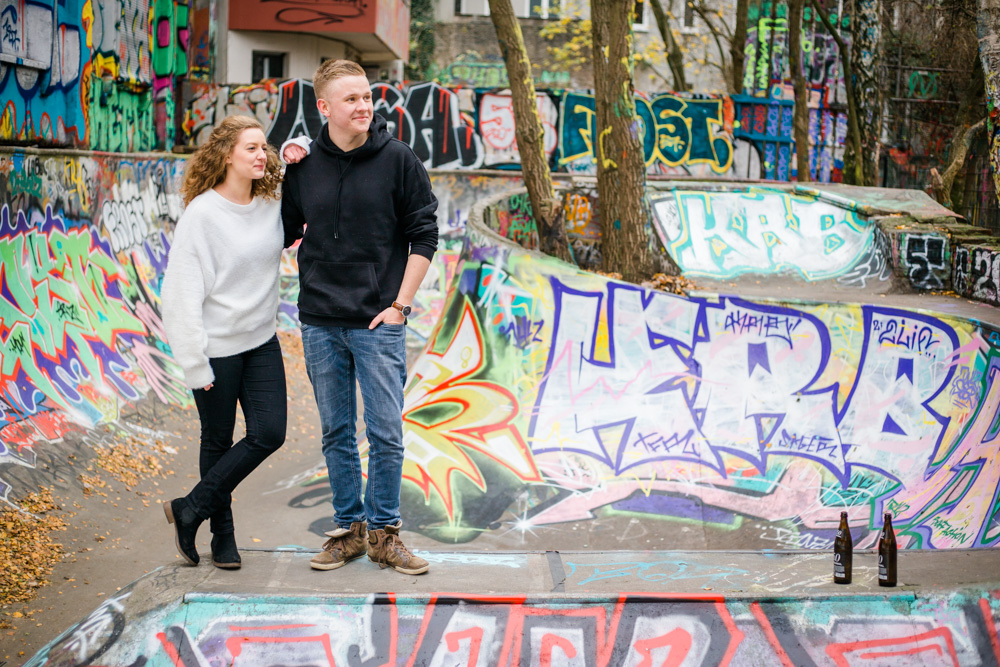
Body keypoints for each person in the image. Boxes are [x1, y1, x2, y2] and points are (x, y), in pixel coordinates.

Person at [281, 59, 438, 575]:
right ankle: (349, 531)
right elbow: (280, 228)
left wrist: (400, 307)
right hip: (320, 320)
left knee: (386, 431)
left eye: (367, 96)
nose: (364, 105)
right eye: (350, 99)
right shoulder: (304, 166)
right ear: (324, 107)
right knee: (336, 432)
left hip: (378, 322)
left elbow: (424, 234)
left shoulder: (398, 160)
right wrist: (283, 159)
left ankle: (385, 534)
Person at [160, 115, 287, 569]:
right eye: (251, 148)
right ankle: (222, 536)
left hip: (261, 339)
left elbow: (304, 154)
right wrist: (195, 363)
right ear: (226, 155)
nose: (261, 155)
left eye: (264, 148)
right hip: (216, 346)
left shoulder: (271, 200)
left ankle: (189, 508)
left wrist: (301, 148)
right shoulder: (203, 215)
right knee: (218, 439)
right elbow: (179, 294)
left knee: (269, 433)